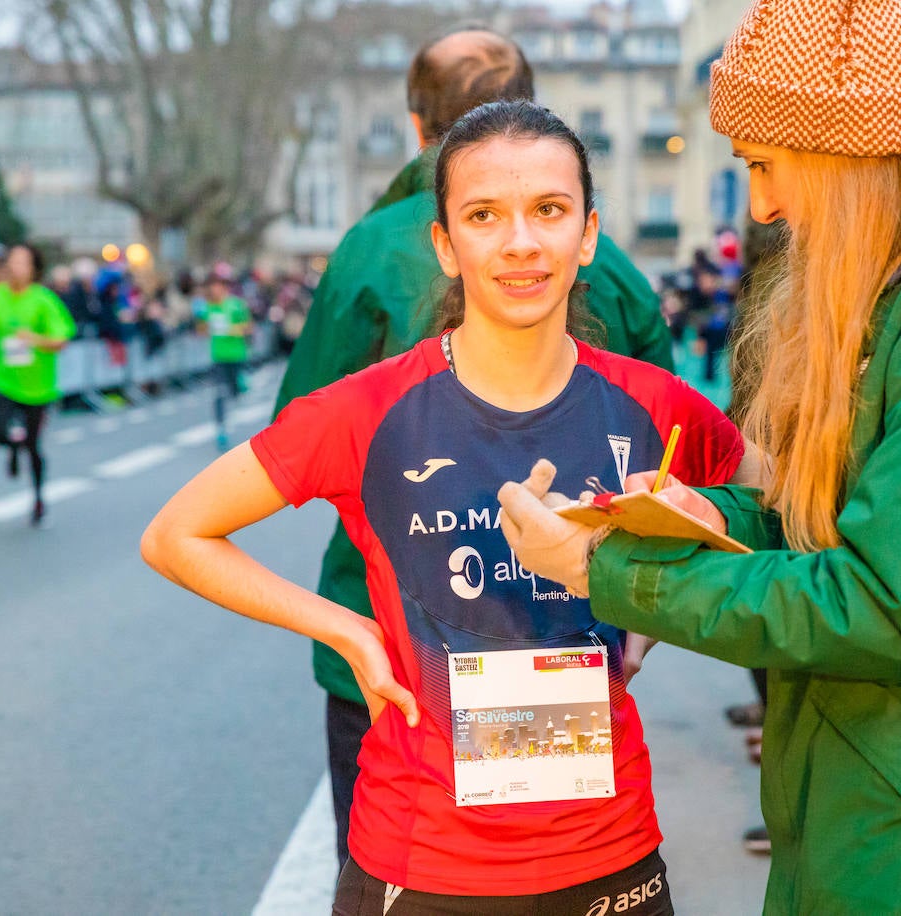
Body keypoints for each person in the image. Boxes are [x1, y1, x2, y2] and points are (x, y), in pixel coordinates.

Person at [495, 0, 901, 911]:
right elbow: (845, 524)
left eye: (766, 164)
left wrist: (605, 569)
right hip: (870, 812)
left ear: (847, 150)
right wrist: (714, 516)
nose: (760, 205)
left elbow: (887, 605)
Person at [144, 101, 756, 914]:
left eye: (548, 210)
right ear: (445, 243)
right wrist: (345, 627)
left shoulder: (651, 403)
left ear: (589, 234)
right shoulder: (367, 410)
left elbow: (769, 496)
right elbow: (176, 534)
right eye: (482, 215)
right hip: (423, 861)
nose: (520, 243)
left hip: (611, 856)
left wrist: (660, 588)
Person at [273, 25, 676, 867]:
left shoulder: (362, 253)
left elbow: (295, 427)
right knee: (551, 856)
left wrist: (348, 627)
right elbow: (667, 460)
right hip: (560, 629)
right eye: (482, 219)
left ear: (417, 126)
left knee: (414, 860)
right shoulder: (608, 267)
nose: (517, 246)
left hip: (392, 642)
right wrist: (650, 604)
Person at [0, 243, 76, 526]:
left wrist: (35, 339)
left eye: (23, 263)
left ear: (33, 269)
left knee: (33, 446)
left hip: (37, 387)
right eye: (12, 262)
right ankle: (11, 444)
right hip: (3, 380)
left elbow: (62, 340)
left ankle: (39, 496)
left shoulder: (44, 300)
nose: (16, 268)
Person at [199, 263, 252, 451]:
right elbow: (202, 330)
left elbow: (248, 328)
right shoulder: (208, 308)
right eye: (212, 285)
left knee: (235, 391)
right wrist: (204, 327)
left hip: (236, 355)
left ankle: (242, 383)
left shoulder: (236, 305)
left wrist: (232, 330)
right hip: (218, 357)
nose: (214, 289)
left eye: (218, 285)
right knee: (219, 393)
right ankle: (221, 428)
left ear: (224, 287)